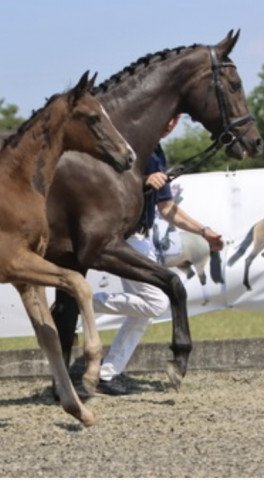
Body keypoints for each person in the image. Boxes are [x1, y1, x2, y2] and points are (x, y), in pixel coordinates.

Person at [94, 115, 225, 395]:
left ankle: (107, 375)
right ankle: (84, 301)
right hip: (125, 238)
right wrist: (141, 180)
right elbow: (103, 185)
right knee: (156, 302)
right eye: (167, 117)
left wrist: (204, 231)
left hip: (144, 239)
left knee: (143, 314)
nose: (170, 124)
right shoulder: (128, 145)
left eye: (175, 119)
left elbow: (166, 208)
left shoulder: (158, 151)